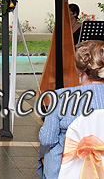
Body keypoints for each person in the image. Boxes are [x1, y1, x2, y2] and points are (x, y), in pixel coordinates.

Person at [38, 40, 104, 179]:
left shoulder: (60, 97)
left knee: (47, 146)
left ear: (80, 71)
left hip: (65, 170)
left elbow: (47, 139)